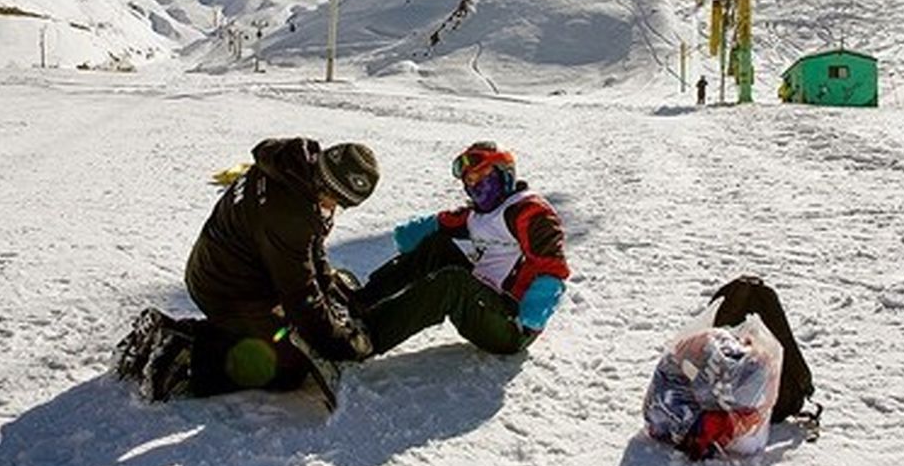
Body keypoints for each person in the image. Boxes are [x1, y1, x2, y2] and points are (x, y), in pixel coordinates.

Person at [113, 137, 380, 401]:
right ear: (325, 184)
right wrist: (343, 343)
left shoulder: (291, 168)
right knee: (289, 365)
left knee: (285, 333)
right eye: (336, 200)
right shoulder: (289, 212)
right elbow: (300, 296)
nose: (334, 208)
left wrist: (328, 284)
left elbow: (310, 246)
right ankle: (185, 357)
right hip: (229, 289)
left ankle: (175, 336)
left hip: (221, 270)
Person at [351, 142, 569, 357]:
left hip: (513, 322)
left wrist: (530, 320)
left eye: (483, 174)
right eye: (470, 179)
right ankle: (362, 300)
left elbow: (552, 270)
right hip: (485, 297)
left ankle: (368, 336)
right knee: (439, 245)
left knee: (452, 283)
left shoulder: (530, 212)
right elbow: (441, 223)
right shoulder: (478, 214)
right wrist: (408, 236)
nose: (476, 184)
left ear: (505, 174)